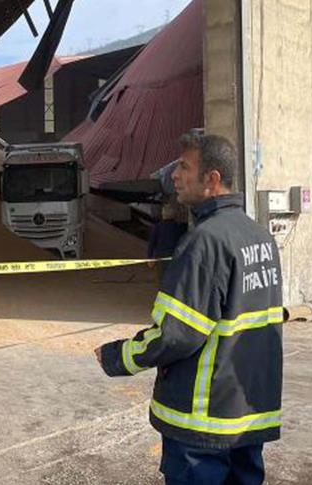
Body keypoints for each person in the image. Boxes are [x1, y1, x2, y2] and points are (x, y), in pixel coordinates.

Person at [95, 133, 283, 484]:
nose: (174, 176)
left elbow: (178, 335)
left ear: (211, 180)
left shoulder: (205, 241)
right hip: (249, 414)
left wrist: (118, 356)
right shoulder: (261, 237)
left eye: (184, 167)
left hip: (202, 421)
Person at [147, 201, 188, 283]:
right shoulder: (179, 227)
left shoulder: (158, 227)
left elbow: (152, 243)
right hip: (175, 257)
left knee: (162, 280)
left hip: (161, 257)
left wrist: (150, 257)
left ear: (163, 214)